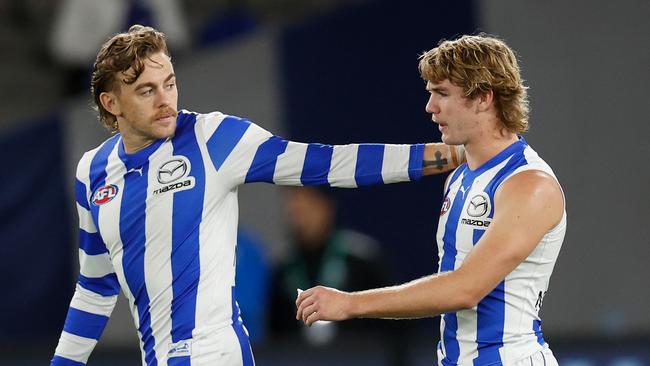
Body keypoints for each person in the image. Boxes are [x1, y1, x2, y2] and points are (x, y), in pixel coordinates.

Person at [50, 25, 464, 366]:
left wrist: (438, 156)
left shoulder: (213, 138)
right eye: (146, 91)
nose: (166, 101)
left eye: (170, 84)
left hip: (215, 354)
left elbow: (326, 163)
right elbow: (95, 286)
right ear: (111, 103)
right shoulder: (92, 172)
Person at [296, 34, 566, 366]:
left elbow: (465, 290)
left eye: (442, 93)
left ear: (483, 97)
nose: (430, 107)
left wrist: (350, 303)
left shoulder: (530, 185)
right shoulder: (459, 176)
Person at [269, 186, 393, 346]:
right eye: (295, 211)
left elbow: (394, 327)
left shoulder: (363, 259)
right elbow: (274, 337)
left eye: (308, 206)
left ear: (327, 206)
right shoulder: (283, 267)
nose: (301, 218)